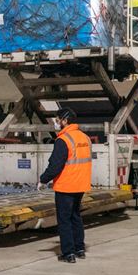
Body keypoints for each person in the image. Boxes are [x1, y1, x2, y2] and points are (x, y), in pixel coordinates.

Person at [38, 108, 92, 263]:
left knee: (64, 220)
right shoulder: (85, 138)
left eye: (58, 119)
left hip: (66, 186)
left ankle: (68, 253)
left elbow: (55, 166)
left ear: (65, 120)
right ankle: (79, 248)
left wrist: (43, 179)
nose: (57, 122)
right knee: (76, 216)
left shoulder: (63, 140)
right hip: (80, 185)